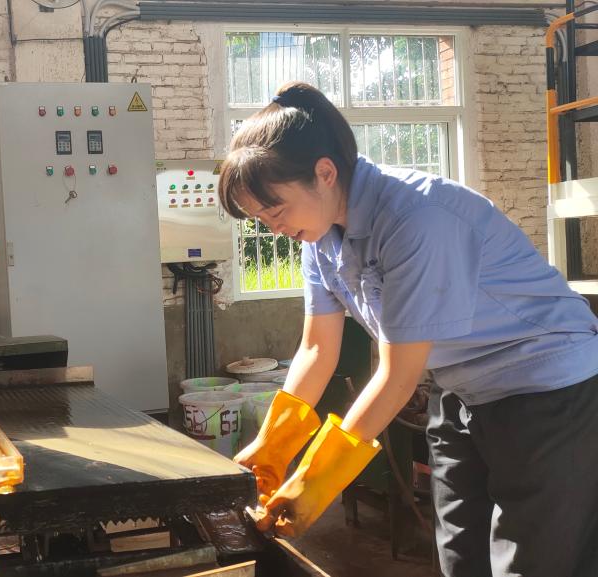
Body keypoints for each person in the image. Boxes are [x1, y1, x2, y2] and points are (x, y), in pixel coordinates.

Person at [222, 81, 598, 577]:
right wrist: (273, 447)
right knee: (461, 558)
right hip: (462, 391)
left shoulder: (416, 217)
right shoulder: (319, 240)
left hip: (547, 392)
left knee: (533, 562)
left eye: (275, 210)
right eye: (260, 218)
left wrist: (315, 480)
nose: (274, 227)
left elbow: (398, 376)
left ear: (325, 173)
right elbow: (316, 349)